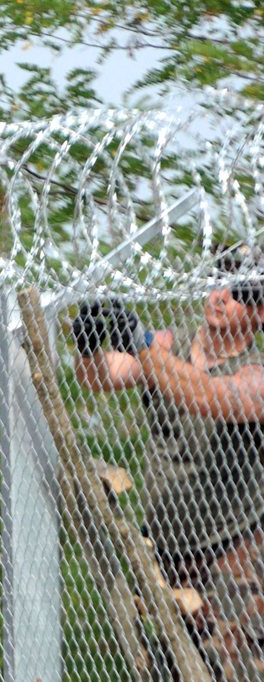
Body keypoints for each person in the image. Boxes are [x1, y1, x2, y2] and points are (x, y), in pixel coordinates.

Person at [72, 247, 264, 680]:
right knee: (166, 672)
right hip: (165, 555)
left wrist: (143, 346)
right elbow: (102, 377)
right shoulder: (170, 342)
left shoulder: (256, 373)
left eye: (241, 292)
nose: (221, 294)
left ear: (260, 315)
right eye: (220, 280)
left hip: (229, 560)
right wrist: (87, 346)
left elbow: (209, 397)